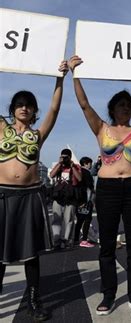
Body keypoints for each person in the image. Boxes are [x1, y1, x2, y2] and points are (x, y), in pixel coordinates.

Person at [68, 55, 131, 315]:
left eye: (128, 105)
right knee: (107, 245)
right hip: (108, 190)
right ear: (112, 109)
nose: (125, 108)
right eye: (120, 105)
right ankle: (108, 294)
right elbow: (83, 104)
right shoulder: (101, 128)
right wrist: (74, 73)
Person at [0, 61, 68, 321]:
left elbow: (55, 108)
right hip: (2, 195)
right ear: (13, 109)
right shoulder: (1, 129)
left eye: (28, 105)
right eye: (19, 104)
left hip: (29, 195)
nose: (24, 108)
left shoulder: (38, 134)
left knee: (31, 254)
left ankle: (33, 300)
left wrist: (60, 79)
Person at [50, 148, 82, 250]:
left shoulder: (76, 166)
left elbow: (80, 179)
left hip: (71, 196)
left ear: (70, 157)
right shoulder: (59, 166)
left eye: (66, 157)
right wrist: (59, 164)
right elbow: (52, 175)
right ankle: (56, 241)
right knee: (56, 219)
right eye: (62, 157)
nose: (64, 159)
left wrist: (72, 167)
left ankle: (67, 240)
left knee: (69, 220)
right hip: (59, 196)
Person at [74, 156, 96, 248]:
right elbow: (89, 188)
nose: (91, 165)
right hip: (85, 200)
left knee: (79, 220)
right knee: (87, 219)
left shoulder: (79, 172)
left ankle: (76, 239)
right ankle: (84, 240)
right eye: (90, 163)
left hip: (79, 200)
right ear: (86, 163)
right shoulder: (86, 173)